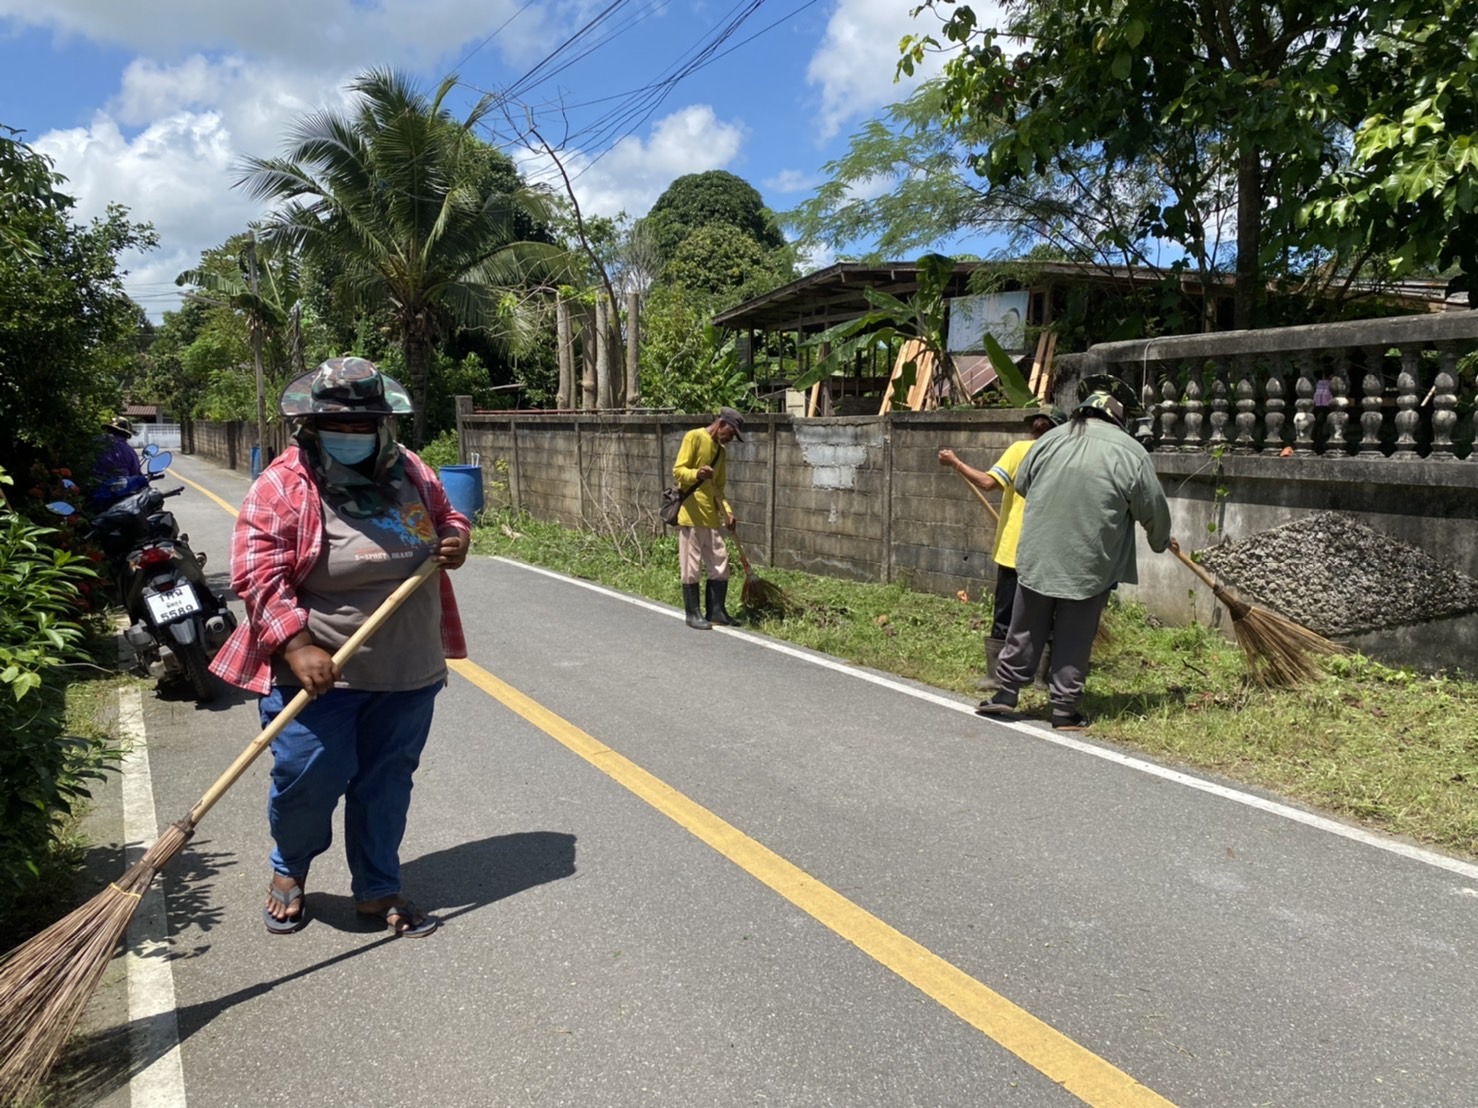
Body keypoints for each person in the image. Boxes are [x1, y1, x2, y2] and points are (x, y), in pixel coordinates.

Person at [210, 357, 471, 937]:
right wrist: (296, 644)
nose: (351, 436)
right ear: (311, 426)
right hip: (318, 672)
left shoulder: (410, 469)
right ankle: (289, 868)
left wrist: (455, 538)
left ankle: (378, 888)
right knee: (308, 775)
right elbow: (256, 573)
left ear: (383, 425)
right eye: (338, 426)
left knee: (386, 781)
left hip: (409, 669)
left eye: (363, 426)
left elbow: (449, 514)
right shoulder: (283, 484)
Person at [978, 390, 1176, 731]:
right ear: (1117, 419)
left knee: (1024, 627)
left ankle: (1005, 694)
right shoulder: (1132, 452)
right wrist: (1160, 541)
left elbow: (1024, 484)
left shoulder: (1049, 440)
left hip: (1038, 553)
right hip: (1089, 560)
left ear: (1082, 412)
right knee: (1075, 634)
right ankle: (1064, 710)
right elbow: (1152, 508)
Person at [938, 405, 1065, 690]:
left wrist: (955, 462)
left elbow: (987, 482)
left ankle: (997, 675)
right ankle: (1041, 677)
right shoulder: (1064, 457)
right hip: (1051, 549)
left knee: (1006, 613)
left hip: (1015, 547)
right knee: (1047, 613)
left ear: (1035, 427)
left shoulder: (1021, 450)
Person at [672, 406, 744, 630]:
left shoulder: (721, 453)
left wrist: (728, 513)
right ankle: (692, 614)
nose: (730, 439)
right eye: (730, 433)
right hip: (691, 515)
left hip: (711, 517)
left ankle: (716, 611)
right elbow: (678, 471)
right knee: (691, 566)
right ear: (721, 424)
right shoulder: (694, 437)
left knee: (720, 563)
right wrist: (696, 474)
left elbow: (719, 489)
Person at [93, 416, 141, 482]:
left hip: (91, 486)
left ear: (107, 430)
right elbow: (135, 474)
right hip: (119, 489)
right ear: (127, 435)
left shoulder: (94, 442)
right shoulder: (129, 451)